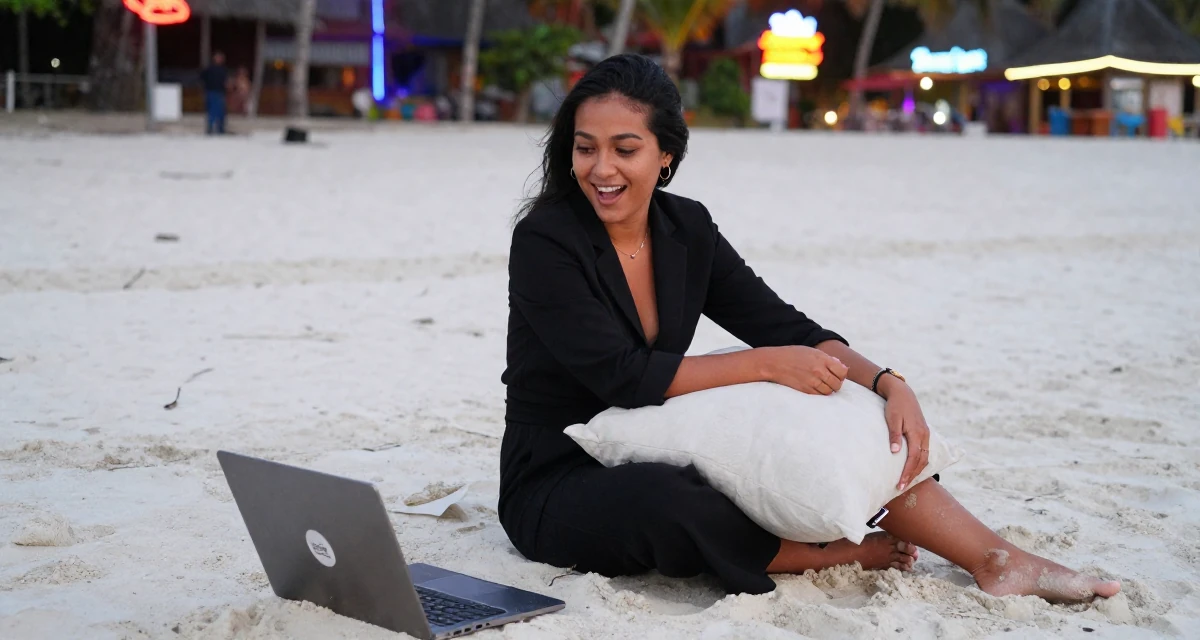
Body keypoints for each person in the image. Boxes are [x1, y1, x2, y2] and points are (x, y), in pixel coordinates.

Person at [498, 54, 1121, 603]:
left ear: (666, 156)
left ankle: (995, 559)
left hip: (659, 427)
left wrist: (885, 383)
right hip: (559, 471)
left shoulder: (686, 228)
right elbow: (620, 374)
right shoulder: (545, 240)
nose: (600, 168)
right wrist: (767, 364)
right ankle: (822, 551)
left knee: (840, 420)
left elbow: (781, 324)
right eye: (586, 147)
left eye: (624, 149)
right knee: (669, 497)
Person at [200, 51, 229, 135]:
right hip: (211, 91)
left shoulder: (223, 70)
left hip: (220, 92)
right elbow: (202, 78)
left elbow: (225, 81)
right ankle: (210, 128)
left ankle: (221, 128)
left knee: (221, 111)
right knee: (212, 110)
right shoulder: (209, 69)